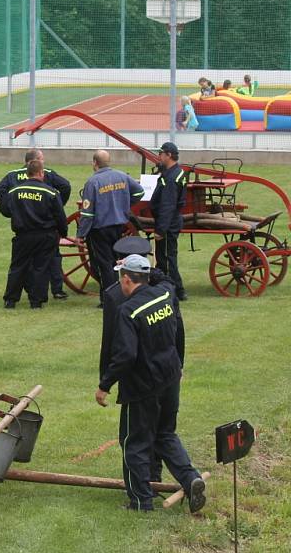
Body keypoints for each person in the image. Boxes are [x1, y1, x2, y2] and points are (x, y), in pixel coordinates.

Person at [95, 254, 205, 514]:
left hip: (143, 386)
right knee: (165, 434)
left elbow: (125, 356)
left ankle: (140, 501)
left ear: (125, 279)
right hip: (170, 377)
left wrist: (105, 385)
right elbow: (167, 286)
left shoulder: (128, 311)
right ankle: (191, 480)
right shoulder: (165, 294)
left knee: (134, 441)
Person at [0, 148, 71, 299]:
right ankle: (53, 291)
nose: (43, 161)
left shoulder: (13, 176)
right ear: (35, 163)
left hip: (23, 228)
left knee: (18, 265)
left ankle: (12, 299)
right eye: (41, 158)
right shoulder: (47, 175)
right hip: (45, 228)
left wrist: (13, 209)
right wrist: (58, 207)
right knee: (49, 260)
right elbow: (65, 186)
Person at [77, 150, 145, 307]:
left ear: (95, 162)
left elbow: (87, 213)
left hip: (99, 230)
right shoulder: (122, 176)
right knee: (115, 262)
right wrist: (125, 204)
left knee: (102, 265)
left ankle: (108, 299)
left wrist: (81, 235)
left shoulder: (92, 182)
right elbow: (140, 191)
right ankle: (119, 294)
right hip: (119, 227)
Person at [151, 142, 188, 301]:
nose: (159, 156)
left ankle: (177, 290)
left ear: (169, 155)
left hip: (168, 224)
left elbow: (167, 206)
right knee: (165, 257)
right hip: (171, 221)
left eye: (161, 154)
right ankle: (164, 288)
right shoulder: (175, 173)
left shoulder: (172, 178)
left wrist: (160, 230)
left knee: (166, 258)